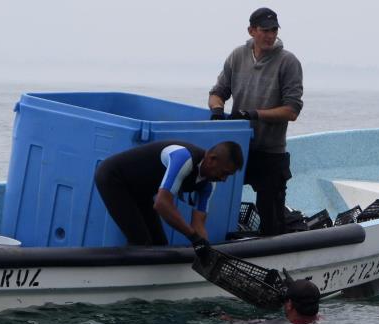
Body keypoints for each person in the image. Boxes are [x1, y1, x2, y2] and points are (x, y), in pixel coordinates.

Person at [208, 7, 304, 236]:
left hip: (271, 153)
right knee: (217, 199)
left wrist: (254, 114)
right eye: (264, 30)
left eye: (274, 30)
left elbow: (292, 111)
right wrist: (218, 111)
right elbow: (217, 92)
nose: (270, 35)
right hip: (239, 149)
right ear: (251, 30)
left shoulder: (288, 62)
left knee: (272, 220)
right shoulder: (237, 56)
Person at [94, 140, 243, 250]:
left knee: (160, 244)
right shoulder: (184, 158)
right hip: (113, 178)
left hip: (140, 192)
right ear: (211, 160)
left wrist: (204, 248)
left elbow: (198, 224)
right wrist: (193, 237)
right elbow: (162, 204)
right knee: (140, 241)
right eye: (223, 173)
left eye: (228, 176)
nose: (224, 179)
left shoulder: (209, 184)